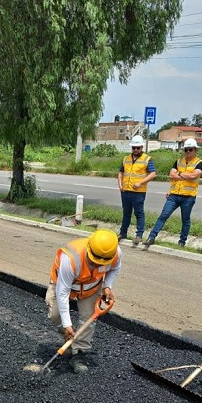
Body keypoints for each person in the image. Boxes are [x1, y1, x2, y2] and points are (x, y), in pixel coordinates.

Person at [46, 229, 120, 373]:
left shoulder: (114, 253)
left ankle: (79, 353)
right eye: (94, 263)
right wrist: (67, 325)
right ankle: (68, 335)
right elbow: (62, 293)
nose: (98, 266)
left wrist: (107, 287)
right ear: (89, 250)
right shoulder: (71, 258)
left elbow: (115, 268)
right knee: (56, 315)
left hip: (91, 288)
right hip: (62, 285)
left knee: (88, 318)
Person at [144, 138, 202, 248]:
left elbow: (194, 176)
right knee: (163, 215)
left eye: (190, 150)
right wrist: (185, 176)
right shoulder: (178, 161)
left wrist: (179, 174)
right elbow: (171, 175)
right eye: (186, 150)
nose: (188, 152)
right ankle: (151, 237)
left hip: (188, 197)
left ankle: (182, 242)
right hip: (174, 195)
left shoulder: (199, 163)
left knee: (185, 220)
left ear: (195, 150)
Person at [117, 135, 156, 246]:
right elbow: (120, 172)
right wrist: (120, 185)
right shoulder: (126, 159)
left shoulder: (147, 159)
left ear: (142, 147)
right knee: (126, 213)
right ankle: (123, 233)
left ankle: (139, 235)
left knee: (139, 213)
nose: (136, 150)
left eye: (138, 148)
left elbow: (153, 173)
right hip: (126, 191)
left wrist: (140, 182)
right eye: (134, 148)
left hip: (138, 192)